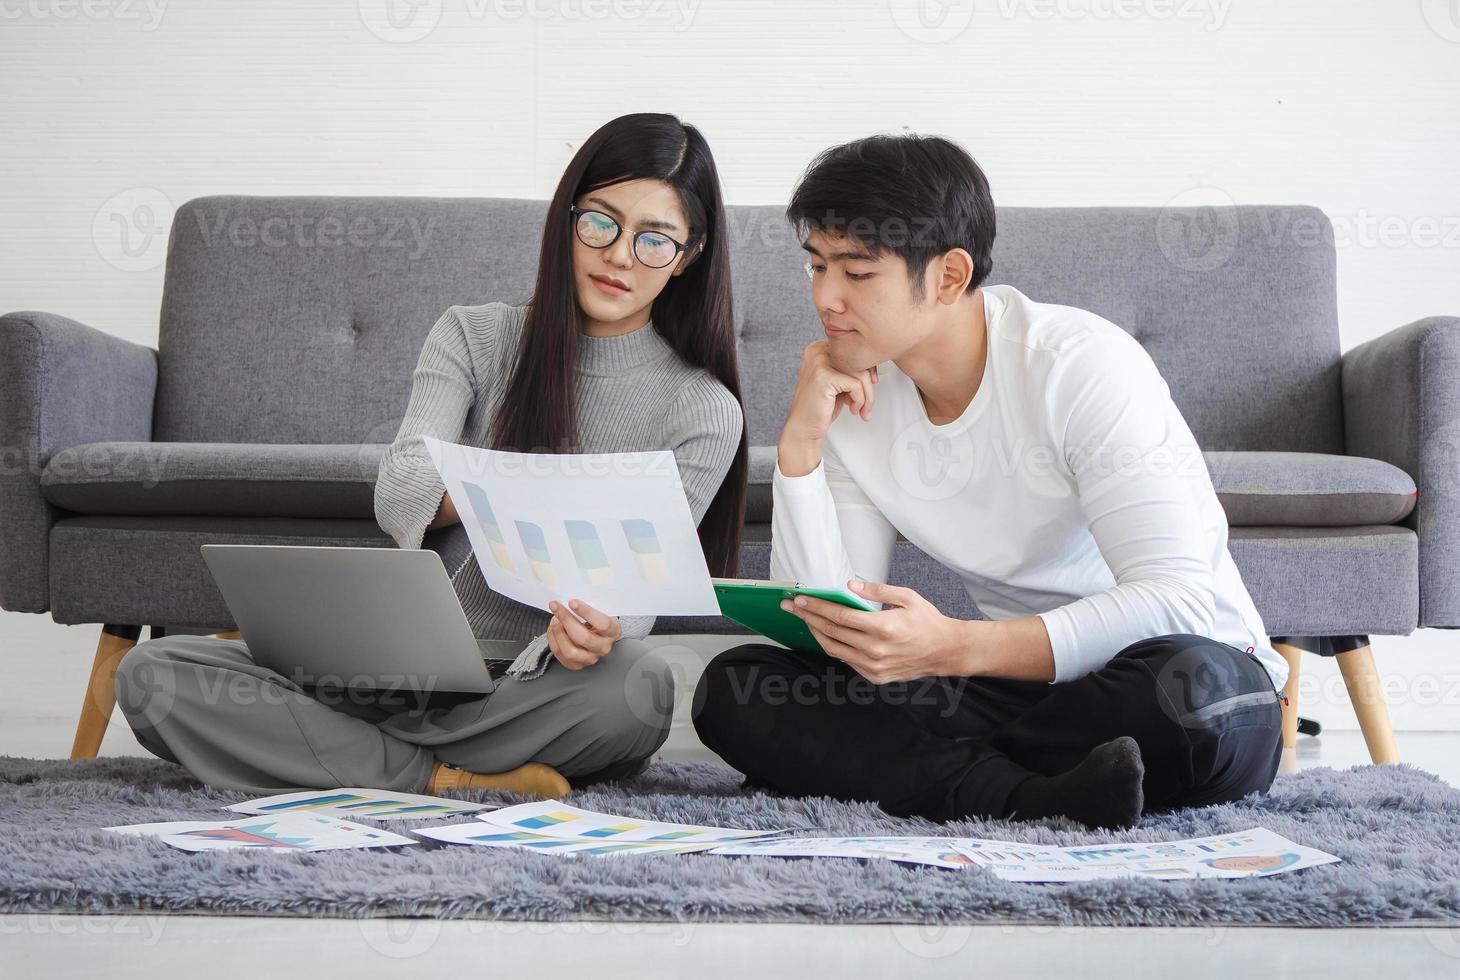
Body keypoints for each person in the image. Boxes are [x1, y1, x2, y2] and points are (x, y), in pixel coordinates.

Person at [114, 112, 748, 799]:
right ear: (567, 217)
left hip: (538, 688)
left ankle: (342, 759)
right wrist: (511, 492)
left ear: (688, 256)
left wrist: (600, 631)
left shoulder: (704, 410)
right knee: (152, 675)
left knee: (640, 687)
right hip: (393, 671)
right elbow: (401, 486)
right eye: (600, 222)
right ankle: (445, 778)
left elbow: (635, 596)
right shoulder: (474, 336)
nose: (620, 255)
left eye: (655, 240)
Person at [691, 133, 1286, 830]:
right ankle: (1036, 797)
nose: (826, 297)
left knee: (1198, 701)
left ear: (947, 276)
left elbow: (1178, 601)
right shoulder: (855, 396)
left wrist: (955, 646)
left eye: (856, 274)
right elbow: (834, 627)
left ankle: (942, 779)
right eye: (816, 266)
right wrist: (800, 446)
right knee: (739, 689)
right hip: (1008, 691)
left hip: (1157, 676)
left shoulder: (1079, 365)